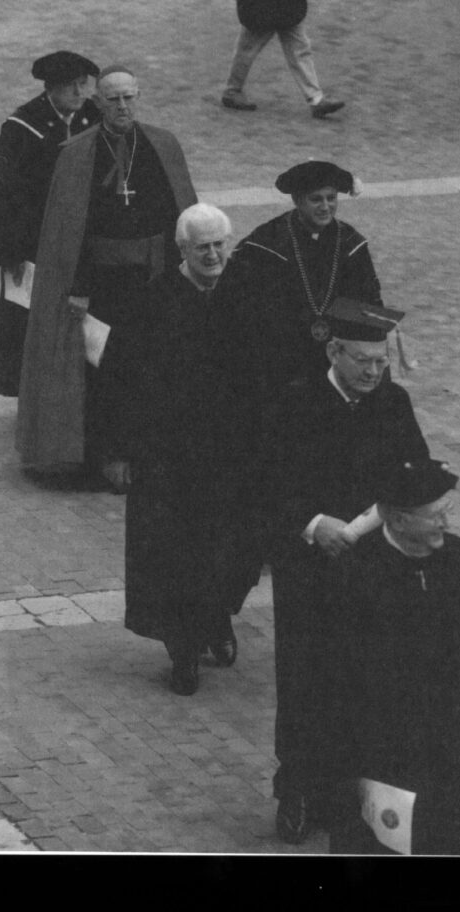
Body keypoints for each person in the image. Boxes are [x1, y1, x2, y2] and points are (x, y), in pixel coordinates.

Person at [260, 296, 430, 845]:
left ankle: (356, 796)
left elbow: (416, 474)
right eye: (364, 362)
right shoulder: (295, 403)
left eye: (381, 363)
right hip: (311, 574)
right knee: (307, 682)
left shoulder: (393, 404)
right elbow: (266, 485)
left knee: (366, 683)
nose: (375, 373)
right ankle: (298, 792)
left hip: (375, 571)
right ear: (334, 351)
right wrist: (313, 524)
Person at [15, 64, 197, 486]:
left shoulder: (162, 145)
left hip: (152, 277)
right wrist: (77, 288)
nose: (122, 106)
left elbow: (180, 212)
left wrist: (181, 272)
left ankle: (146, 455)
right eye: (112, 98)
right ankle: (99, 461)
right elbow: (66, 228)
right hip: (100, 285)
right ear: (98, 102)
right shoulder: (78, 153)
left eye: (128, 97)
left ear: (138, 97)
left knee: (149, 366)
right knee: (102, 371)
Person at [324, 459, 460, 856]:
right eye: (435, 516)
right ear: (398, 519)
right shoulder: (358, 573)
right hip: (383, 745)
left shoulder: (458, 559)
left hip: (449, 738)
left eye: (447, 512)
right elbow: (332, 672)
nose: (445, 524)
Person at [107, 204, 261, 695]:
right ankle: (183, 649)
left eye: (220, 244)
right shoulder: (152, 302)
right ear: (182, 250)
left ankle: (217, 618)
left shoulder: (244, 293)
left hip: (231, 456)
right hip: (168, 458)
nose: (214, 255)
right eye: (203, 247)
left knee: (231, 550)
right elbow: (117, 380)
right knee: (174, 556)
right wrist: (117, 450)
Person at [0, 51, 101, 396]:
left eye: (83, 85)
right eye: (73, 86)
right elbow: (1, 187)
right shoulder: (23, 126)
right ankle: (32, 396)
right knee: (31, 321)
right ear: (52, 88)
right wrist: (8, 248)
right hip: (33, 238)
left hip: (78, 237)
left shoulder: (92, 116)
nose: (80, 93)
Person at [217, 160, 382, 401]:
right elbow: (234, 305)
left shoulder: (350, 244)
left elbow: (369, 309)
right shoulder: (266, 243)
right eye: (316, 199)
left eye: (331, 198)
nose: (326, 206)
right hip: (281, 364)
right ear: (297, 201)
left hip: (337, 362)